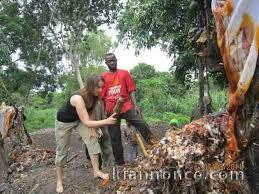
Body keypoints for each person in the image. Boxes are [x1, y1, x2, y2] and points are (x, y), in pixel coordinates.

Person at [55, 74, 117, 193]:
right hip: (64, 122)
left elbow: (91, 111)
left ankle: (96, 171)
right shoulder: (78, 98)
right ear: (90, 86)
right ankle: (59, 181)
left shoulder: (94, 95)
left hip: (79, 119)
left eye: (101, 87)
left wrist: (91, 129)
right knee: (62, 151)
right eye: (98, 87)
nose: (100, 90)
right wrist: (106, 121)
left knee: (92, 138)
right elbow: (87, 122)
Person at [100, 53, 159, 166]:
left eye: (114, 60)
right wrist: (104, 113)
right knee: (115, 137)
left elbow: (131, 90)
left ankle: (154, 145)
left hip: (126, 105)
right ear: (106, 63)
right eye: (110, 61)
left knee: (141, 122)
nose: (112, 63)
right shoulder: (104, 77)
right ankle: (120, 162)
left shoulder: (124, 73)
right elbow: (102, 98)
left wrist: (135, 105)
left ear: (116, 60)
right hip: (111, 110)